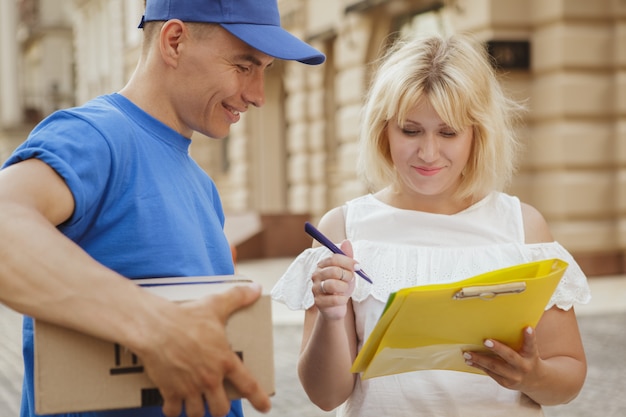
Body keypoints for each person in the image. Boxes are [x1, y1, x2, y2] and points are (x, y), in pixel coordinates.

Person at [0, 1, 324, 417]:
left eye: (266, 69)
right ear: (174, 42)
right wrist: (154, 327)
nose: (258, 95)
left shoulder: (202, 186)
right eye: (244, 66)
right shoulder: (96, 136)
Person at [271, 33, 590, 417]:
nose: (428, 152)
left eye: (448, 133)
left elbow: (568, 380)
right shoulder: (344, 227)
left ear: (478, 133)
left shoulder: (524, 227)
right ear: (383, 130)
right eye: (410, 130)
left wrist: (531, 375)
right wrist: (330, 314)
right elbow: (326, 396)